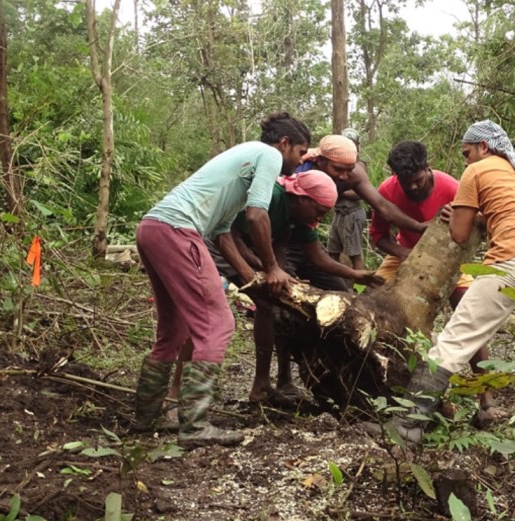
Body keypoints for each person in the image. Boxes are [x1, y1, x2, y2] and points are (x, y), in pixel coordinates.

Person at [367, 120, 515, 446]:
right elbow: (513, 213)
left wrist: (458, 215)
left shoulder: (477, 171)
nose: (466, 161)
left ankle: (406, 428)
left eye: (467, 153)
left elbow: (458, 234)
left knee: (454, 343)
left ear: (484, 147)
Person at [133, 112, 309, 448]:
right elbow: (257, 215)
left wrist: (252, 277)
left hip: (152, 227)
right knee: (218, 323)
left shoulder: (243, 164)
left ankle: (145, 416)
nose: (300, 163)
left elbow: (222, 234)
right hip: (177, 229)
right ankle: (195, 425)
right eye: (301, 153)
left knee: (173, 329)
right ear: (285, 144)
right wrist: (272, 267)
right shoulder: (268, 155)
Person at [215, 170, 383, 406]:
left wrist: (354, 275)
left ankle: (285, 379)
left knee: (282, 303)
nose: (321, 218)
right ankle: (259, 384)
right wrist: (264, 269)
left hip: (252, 251)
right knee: (252, 309)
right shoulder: (272, 195)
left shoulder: (300, 215)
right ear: (303, 198)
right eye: (319, 212)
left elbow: (304, 253)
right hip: (218, 242)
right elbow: (232, 233)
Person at [370, 140, 498, 419]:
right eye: (406, 183)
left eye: (417, 181)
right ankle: (375, 386)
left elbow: (487, 220)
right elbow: (379, 237)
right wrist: (409, 255)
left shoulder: (453, 187)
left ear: (428, 168)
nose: (413, 188)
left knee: (469, 314)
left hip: (452, 257)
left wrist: (470, 215)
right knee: (370, 304)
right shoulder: (387, 191)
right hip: (405, 254)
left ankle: (486, 400)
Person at [300, 135, 429, 237]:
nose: (344, 176)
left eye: (349, 170)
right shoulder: (299, 172)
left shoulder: (354, 175)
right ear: (321, 161)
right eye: (338, 169)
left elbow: (383, 207)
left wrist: (418, 227)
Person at [325, 128, 367, 271]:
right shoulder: (336, 164)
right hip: (339, 213)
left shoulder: (358, 165)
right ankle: (335, 286)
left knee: (355, 255)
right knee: (332, 252)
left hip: (352, 213)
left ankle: (360, 289)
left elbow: (358, 194)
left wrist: (333, 192)